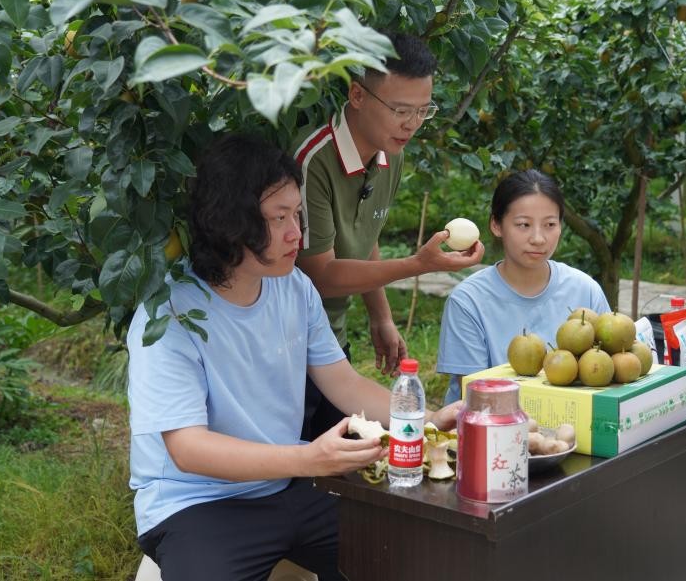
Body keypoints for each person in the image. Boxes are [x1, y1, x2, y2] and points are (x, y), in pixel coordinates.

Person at [126, 133, 461, 581]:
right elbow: (188, 449)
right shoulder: (168, 315)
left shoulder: (294, 288)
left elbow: (344, 383)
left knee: (409, 555)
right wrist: (310, 460)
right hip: (197, 503)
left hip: (290, 486)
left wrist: (431, 420)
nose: (296, 234)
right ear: (228, 221)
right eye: (278, 218)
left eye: (297, 214)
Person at [291, 32, 483, 439]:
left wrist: (380, 316)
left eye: (423, 111)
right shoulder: (313, 161)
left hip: (331, 340)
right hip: (289, 345)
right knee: (302, 454)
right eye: (400, 110)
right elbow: (320, 275)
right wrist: (418, 265)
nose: (411, 124)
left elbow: (366, 234)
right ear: (357, 95)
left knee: (343, 457)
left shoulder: (389, 153)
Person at [436, 169, 611, 405]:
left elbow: (606, 373)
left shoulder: (586, 290)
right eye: (523, 225)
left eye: (550, 224)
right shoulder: (468, 301)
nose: (538, 238)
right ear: (496, 225)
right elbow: (476, 398)